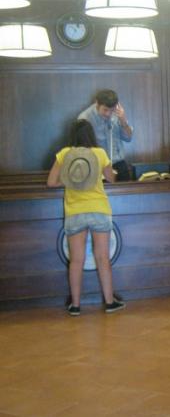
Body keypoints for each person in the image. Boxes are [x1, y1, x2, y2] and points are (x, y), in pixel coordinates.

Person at [47, 119, 126, 316]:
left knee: (76, 260)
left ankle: (75, 305)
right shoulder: (99, 153)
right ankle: (109, 302)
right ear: (91, 135)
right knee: (103, 258)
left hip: (75, 211)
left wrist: (71, 179)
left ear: (72, 135)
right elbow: (112, 178)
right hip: (99, 209)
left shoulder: (65, 154)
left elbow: (51, 182)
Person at [78, 89, 133, 181]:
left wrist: (124, 122)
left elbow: (129, 138)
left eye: (111, 110)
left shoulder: (118, 113)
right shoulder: (85, 119)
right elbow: (82, 148)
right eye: (105, 110)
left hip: (118, 163)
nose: (108, 114)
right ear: (97, 103)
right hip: (97, 166)